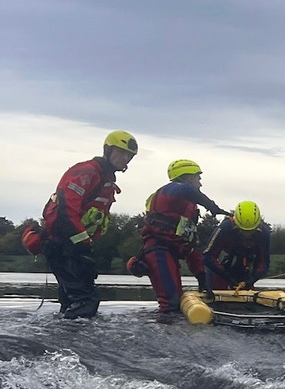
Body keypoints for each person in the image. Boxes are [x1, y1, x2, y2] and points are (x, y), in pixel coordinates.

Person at [30, 130, 138, 318]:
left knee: (72, 300)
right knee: (86, 299)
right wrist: (81, 245)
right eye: (121, 153)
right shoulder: (87, 172)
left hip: (73, 246)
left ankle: (63, 332)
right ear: (108, 150)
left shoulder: (105, 179)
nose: (125, 159)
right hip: (63, 245)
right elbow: (66, 210)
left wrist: (85, 246)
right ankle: (74, 333)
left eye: (129, 156)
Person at [127, 159, 229, 312]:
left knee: (176, 302)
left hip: (171, 252)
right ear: (188, 177)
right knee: (170, 302)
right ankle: (165, 326)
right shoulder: (170, 190)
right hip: (158, 251)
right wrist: (212, 207)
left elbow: (189, 245)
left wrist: (200, 274)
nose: (200, 183)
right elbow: (187, 190)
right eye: (198, 178)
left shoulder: (187, 206)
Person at [201, 200, 271, 291]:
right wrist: (228, 278)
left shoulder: (264, 234)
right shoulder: (225, 228)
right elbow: (207, 256)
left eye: (251, 231)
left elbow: (264, 262)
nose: (247, 234)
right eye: (243, 230)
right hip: (219, 272)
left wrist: (252, 280)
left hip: (244, 273)